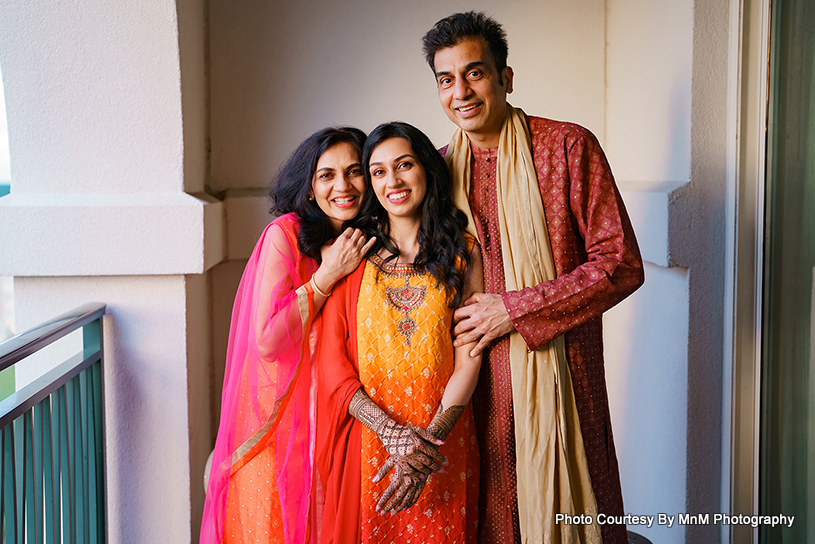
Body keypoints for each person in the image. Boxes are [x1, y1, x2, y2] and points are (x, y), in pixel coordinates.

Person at [421, 12, 645, 544]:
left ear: (506, 77)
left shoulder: (567, 148)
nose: (461, 92)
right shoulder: (434, 169)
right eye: (446, 80)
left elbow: (620, 263)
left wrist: (514, 308)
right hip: (473, 388)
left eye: (475, 73)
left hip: (564, 379)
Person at [200, 127, 376, 544]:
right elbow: (266, 340)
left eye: (355, 172)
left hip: (338, 419)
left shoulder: (371, 238)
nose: (343, 186)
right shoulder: (285, 234)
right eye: (327, 175)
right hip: (278, 428)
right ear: (310, 188)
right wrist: (326, 276)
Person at [315, 122, 483, 544]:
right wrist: (392, 435)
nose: (393, 181)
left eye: (404, 165)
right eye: (378, 171)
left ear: (425, 167)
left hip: (444, 439)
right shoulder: (354, 251)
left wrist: (428, 446)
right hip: (370, 442)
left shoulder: (463, 251)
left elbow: (470, 355)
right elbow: (332, 363)